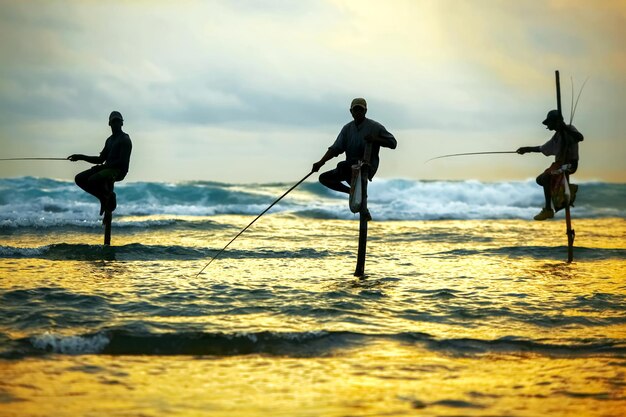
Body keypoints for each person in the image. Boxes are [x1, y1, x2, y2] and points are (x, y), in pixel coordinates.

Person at [312, 97, 396, 206]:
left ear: (365, 111)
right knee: (324, 178)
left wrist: (375, 139)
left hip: (366, 166)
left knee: (342, 166)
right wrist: (320, 162)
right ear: (351, 111)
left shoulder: (375, 127)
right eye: (356, 110)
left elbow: (393, 143)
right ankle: (351, 192)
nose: (358, 112)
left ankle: (357, 191)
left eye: (361, 110)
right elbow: (335, 149)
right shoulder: (347, 129)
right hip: (350, 168)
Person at [517, 109, 583, 220]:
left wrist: (565, 127)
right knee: (540, 179)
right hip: (559, 164)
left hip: (569, 165)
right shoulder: (556, 136)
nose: (548, 126)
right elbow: (543, 148)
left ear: (557, 121)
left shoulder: (570, 128)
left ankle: (548, 210)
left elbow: (580, 138)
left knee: (547, 176)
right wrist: (527, 149)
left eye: (550, 123)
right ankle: (563, 191)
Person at [68, 111, 132, 216]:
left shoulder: (125, 139)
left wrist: (102, 167)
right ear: (109, 124)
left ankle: (110, 196)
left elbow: (122, 162)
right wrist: (80, 157)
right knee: (79, 178)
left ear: (122, 123)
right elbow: (100, 159)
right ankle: (103, 198)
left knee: (93, 179)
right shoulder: (109, 140)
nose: (116, 124)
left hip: (118, 171)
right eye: (113, 121)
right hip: (106, 169)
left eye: (118, 121)